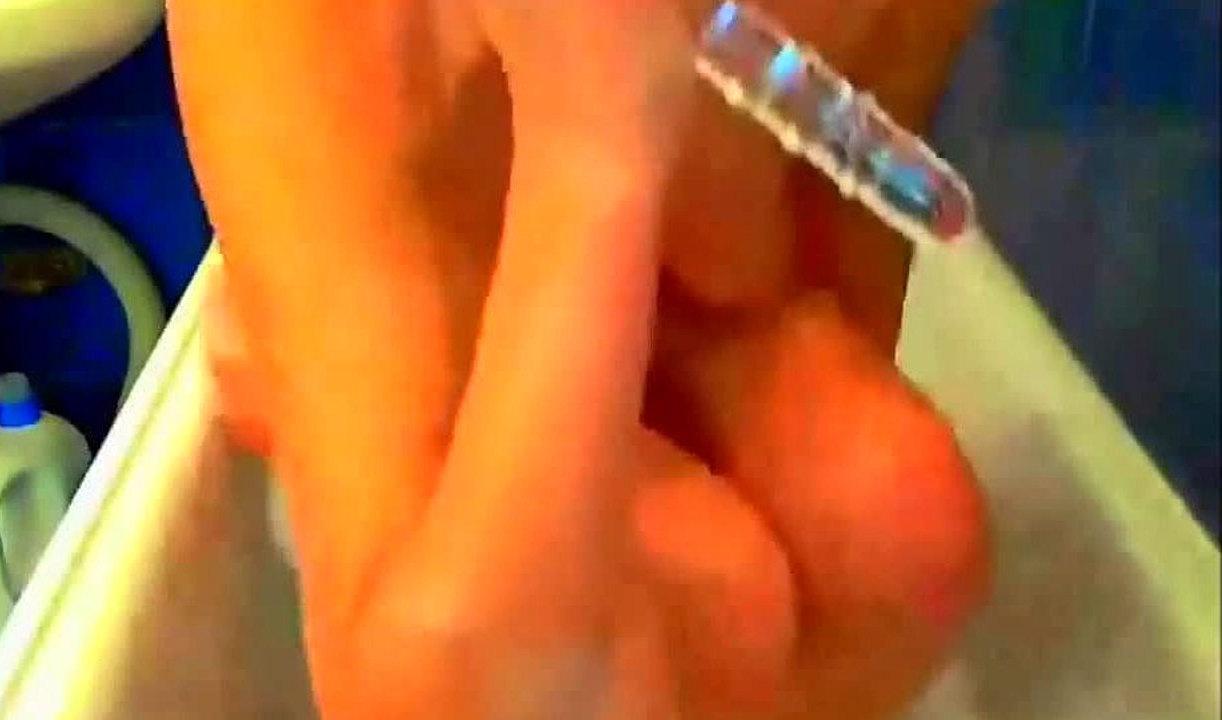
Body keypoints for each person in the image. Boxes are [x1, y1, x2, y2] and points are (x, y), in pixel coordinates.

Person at [168, 1, 991, 718]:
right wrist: (594, 142)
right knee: (693, 593)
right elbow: (418, 695)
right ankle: (291, 371)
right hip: (425, 349)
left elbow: (794, 272)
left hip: (659, 294)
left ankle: (281, 361)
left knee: (891, 524)